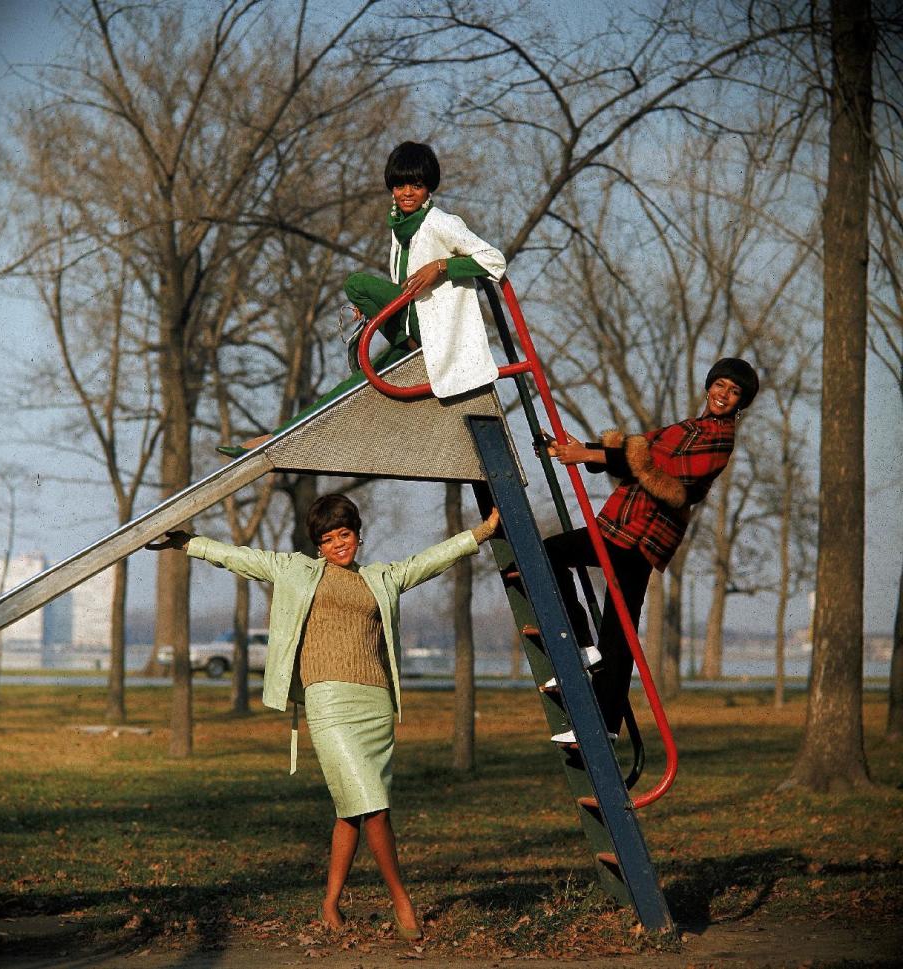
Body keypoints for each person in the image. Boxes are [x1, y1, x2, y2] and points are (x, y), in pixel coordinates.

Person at [149, 495, 500, 939]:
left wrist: (483, 532)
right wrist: (188, 543)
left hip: (374, 702)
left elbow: (430, 560)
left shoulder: (382, 578)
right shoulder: (296, 571)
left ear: (357, 535)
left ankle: (330, 903)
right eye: (328, 539)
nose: (339, 545)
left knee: (351, 810)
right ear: (318, 545)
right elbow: (240, 558)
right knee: (373, 806)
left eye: (345, 535)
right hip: (328, 703)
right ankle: (402, 900)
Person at [220, 142, 506, 456]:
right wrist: (375, 308)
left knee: (356, 283)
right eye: (399, 185)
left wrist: (441, 267)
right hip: (411, 323)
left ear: (429, 188)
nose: (407, 192)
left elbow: (494, 261)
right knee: (357, 384)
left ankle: (408, 343)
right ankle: (274, 438)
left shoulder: (441, 223)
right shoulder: (400, 229)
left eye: (416, 185)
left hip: (431, 330)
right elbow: (404, 285)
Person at [543, 358, 759, 742]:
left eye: (733, 392)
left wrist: (590, 456)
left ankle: (579, 647)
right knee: (618, 629)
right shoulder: (689, 427)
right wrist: (582, 449)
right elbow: (636, 451)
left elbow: (657, 466)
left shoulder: (719, 439)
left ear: (740, 403)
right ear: (709, 385)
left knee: (551, 555)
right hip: (624, 526)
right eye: (720, 385)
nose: (723, 395)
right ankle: (605, 725)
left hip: (638, 533)